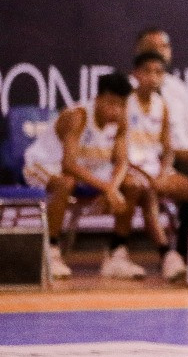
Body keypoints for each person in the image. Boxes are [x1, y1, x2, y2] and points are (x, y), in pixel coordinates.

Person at [23, 72, 146, 280]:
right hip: (45, 164)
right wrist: (107, 188)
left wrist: (113, 187)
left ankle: (117, 254)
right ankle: (51, 252)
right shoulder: (77, 116)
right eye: (111, 103)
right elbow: (68, 165)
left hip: (89, 169)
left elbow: (122, 161)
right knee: (65, 183)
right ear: (97, 99)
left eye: (121, 104)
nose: (116, 110)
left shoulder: (121, 120)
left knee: (133, 185)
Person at [133, 27, 188, 268]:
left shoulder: (178, 89)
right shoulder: (128, 91)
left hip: (179, 155)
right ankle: (172, 255)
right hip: (146, 158)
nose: (160, 51)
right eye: (153, 47)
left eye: (164, 47)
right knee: (186, 177)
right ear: (139, 51)